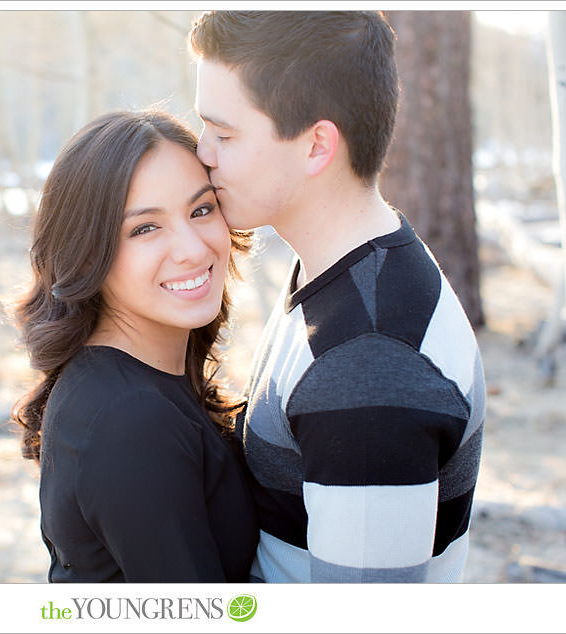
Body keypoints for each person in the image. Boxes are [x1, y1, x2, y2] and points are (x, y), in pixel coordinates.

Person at [189, 10, 485, 582]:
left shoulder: (369, 363)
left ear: (316, 146)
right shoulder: (344, 269)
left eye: (224, 134)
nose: (204, 152)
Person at [10, 109, 259, 582]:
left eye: (201, 210)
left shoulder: (146, 381)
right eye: (145, 228)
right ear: (87, 254)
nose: (192, 248)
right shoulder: (130, 417)